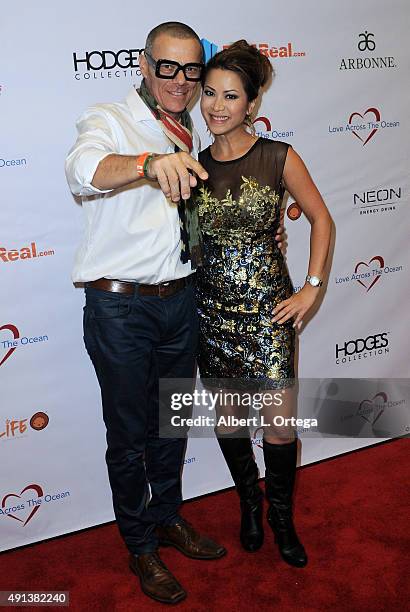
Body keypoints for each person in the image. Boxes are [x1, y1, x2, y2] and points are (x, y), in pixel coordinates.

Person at [65, 22, 227, 606]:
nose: (181, 81)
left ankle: (167, 518)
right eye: (168, 67)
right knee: (130, 435)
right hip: (120, 307)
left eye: (191, 71)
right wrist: (144, 163)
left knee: (170, 423)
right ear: (143, 63)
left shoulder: (190, 127)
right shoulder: (110, 119)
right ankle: (140, 546)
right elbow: (83, 170)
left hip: (179, 300)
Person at [194, 40, 332, 568]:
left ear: (252, 104)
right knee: (229, 421)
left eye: (231, 96)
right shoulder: (191, 168)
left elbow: (321, 217)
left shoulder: (278, 156)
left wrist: (311, 287)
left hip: (269, 313)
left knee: (278, 427)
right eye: (209, 93)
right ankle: (249, 505)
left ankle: (281, 517)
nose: (217, 106)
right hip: (211, 313)